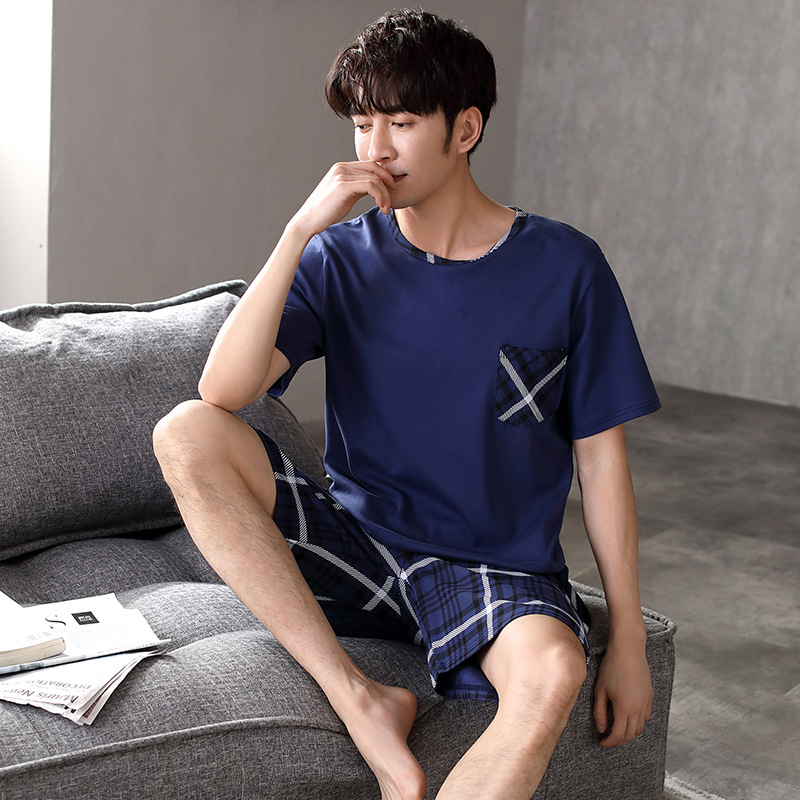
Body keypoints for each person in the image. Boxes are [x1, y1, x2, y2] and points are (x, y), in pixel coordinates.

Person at [153, 8, 661, 800]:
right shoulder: (338, 259)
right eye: (363, 124)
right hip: (359, 549)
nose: (376, 150)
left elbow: (600, 461)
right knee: (186, 431)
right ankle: (361, 701)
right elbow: (221, 393)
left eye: (401, 122)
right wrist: (297, 232)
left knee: (555, 671)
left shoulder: (567, 268)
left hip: (495, 570)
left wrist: (627, 635)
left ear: (466, 129)